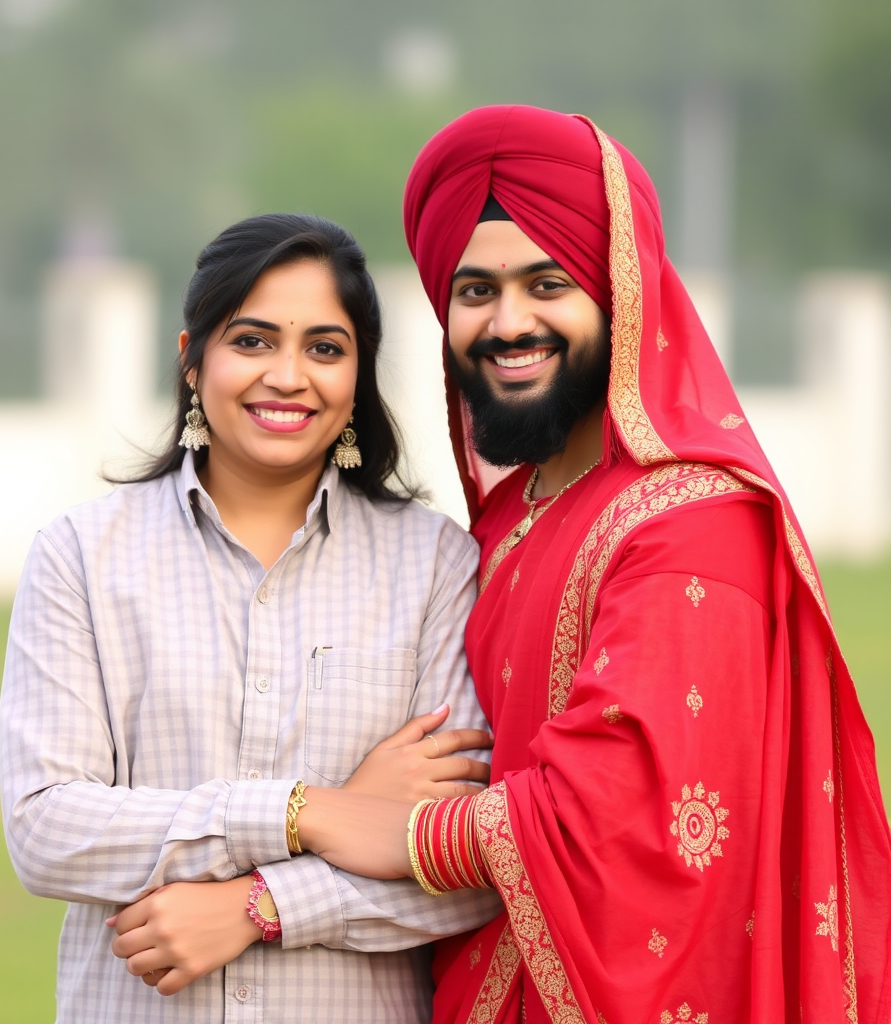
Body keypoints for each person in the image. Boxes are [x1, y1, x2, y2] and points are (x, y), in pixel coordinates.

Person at [286, 107, 891, 1023]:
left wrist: (349, 829)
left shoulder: (691, 522)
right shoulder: (502, 526)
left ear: (622, 293)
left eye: (548, 283)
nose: (508, 321)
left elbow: (615, 809)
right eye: (475, 290)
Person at [0, 212, 501, 1023]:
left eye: (325, 348)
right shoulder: (80, 557)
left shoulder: (435, 566)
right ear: (192, 360)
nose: (289, 375)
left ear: (358, 376)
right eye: (253, 341)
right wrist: (313, 811)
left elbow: (472, 871)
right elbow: (47, 828)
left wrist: (258, 905)